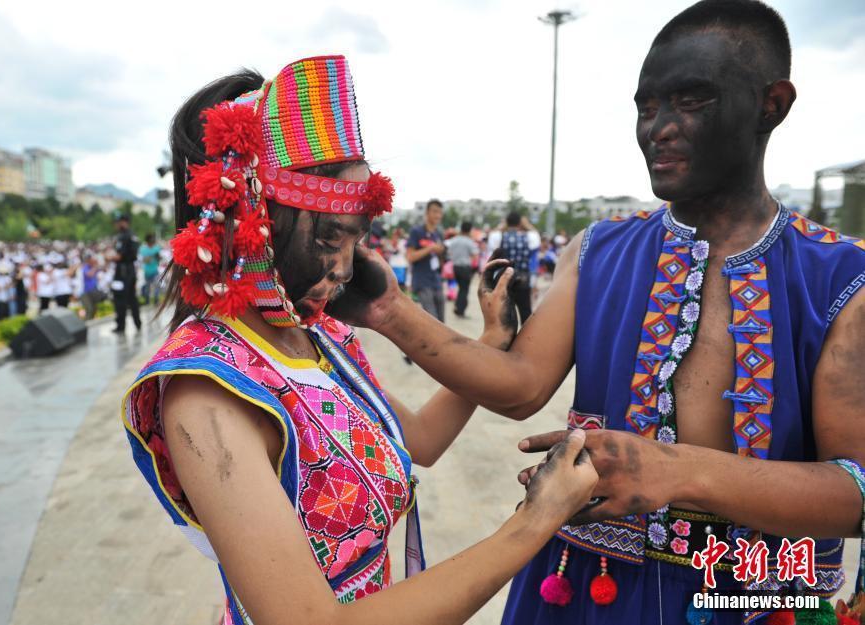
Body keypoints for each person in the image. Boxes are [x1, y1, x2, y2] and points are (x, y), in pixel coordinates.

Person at [326, 2, 865, 623]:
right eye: (646, 107)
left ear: (772, 104)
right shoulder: (598, 251)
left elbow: (853, 492)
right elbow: (521, 388)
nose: (658, 128)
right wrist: (390, 308)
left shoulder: (840, 277)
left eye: (691, 101)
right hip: (585, 590)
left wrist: (675, 469)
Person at [121, 56, 598, 625]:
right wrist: (533, 523)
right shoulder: (207, 393)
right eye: (329, 237)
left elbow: (417, 440)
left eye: (357, 240)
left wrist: (491, 340)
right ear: (255, 218)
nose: (346, 268)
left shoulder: (320, 338)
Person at [492, 212, 540, 323]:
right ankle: (525, 336)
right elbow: (536, 236)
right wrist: (527, 224)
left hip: (503, 277)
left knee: (505, 310)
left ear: (506, 222)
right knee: (525, 309)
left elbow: (492, 239)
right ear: (520, 223)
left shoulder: (498, 236)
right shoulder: (529, 237)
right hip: (523, 277)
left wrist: (502, 225)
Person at [407, 200, 446, 321]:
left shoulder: (438, 233)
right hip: (422, 281)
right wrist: (430, 248)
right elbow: (410, 257)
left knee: (441, 320)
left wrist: (440, 253)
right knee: (432, 320)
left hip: (436, 280)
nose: (437, 215)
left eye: (440, 212)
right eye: (434, 211)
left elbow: (441, 262)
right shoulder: (417, 231)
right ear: (427, 213)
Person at [110, 212, 141, 333]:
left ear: (123, 222)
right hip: (129, 270)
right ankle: (137, 323)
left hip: (123, 271)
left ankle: (121, 325)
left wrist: (109, 257)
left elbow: (120, 256)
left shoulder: (124, 236)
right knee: (132, 298)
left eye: (118, 222)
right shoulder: (130, 235)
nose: (116, 225)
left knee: (120, 298)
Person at [446, 221, 478, 318]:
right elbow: (475, 256)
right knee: (464, 289)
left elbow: (449, 253)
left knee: (460, 288)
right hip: (465, 267)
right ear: (469, 230)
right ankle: (460, 310)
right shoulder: (469, 241)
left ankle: (458, 306)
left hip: (455, 267)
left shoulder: (454, 240)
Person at [139, 234, 162, 305]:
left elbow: (159, 258)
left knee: (156, 285)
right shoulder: (144, 249)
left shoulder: (155, 248)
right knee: (148, 287)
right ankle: (148, 300)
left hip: (154, 270)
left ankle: (155, 300)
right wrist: (152, 257)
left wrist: (157, 257)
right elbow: (144, 260)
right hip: (148, 271)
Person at [79, 253, 102, 321]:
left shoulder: (92, 267)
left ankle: (91, 322)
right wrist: (95, 267)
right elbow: (90, 275)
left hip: (94, 291)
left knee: (94, 308)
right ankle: (87, 323)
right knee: (89, 308)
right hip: (85, 292)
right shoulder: (85, 267)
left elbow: (103, 269)